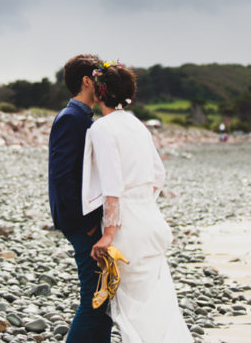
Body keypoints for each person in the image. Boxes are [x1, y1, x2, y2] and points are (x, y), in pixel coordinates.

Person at [81, 61, 193, 342]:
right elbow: (158, 175)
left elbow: (112, 185)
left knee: (132, 310)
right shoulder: (138, 126)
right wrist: (142, 201)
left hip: (127, 226)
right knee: (158, 303)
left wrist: (109, 232)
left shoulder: (102, 128)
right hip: (150, 218)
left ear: (99, 91)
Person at [47, 54, 112, 342]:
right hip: (80, 222)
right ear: (87, 81)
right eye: (99, 78)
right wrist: (84, 224)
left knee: (103, 296)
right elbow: (62, 177)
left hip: (86, 220)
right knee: (94, 297)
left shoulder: (84, 118)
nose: (104, 85)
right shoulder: (71, 119)